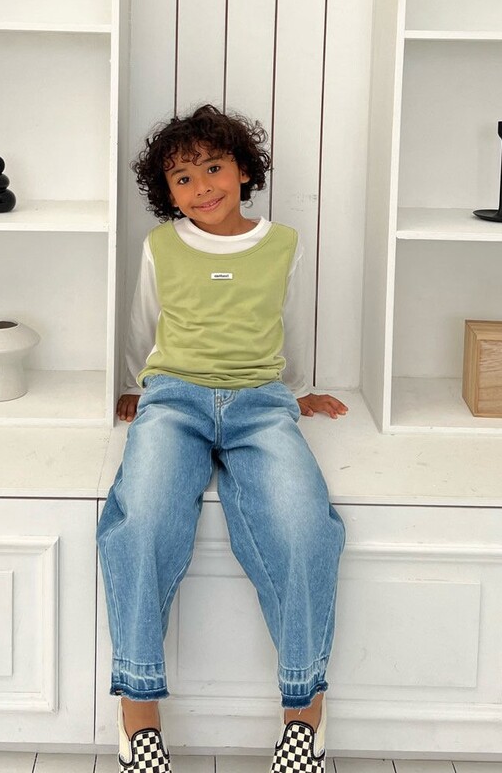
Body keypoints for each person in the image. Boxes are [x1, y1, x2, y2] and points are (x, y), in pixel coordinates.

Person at [97, 104, 347, 773]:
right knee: (142, 520)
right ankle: (137, 711)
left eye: (213, 168)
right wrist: (132, 385)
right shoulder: (162, 246)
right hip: (173, 399)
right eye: (182, 178)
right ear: (167, 192)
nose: (201, 187)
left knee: (304, 524)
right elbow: (143, 323)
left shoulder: (283, 243)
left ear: (243, 171)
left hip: (260, 404)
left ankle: (305, 713)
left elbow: (289, 324)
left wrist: (299, 390)